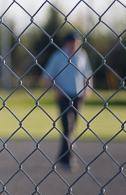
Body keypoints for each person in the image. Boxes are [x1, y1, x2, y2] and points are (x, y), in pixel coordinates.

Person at [42, 32, 92, 171]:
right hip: (63, 96)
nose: (75, 45)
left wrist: (87, 89)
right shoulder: (58, 56)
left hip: (78, 95)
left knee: (72, 127)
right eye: (72, 42)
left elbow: (87, 74)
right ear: (66, 43)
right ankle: (69, 157)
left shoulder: (82, 55)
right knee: (67, 127)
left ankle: (62, 156)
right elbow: (47, 76)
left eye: (77, 42)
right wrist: (57, 91)